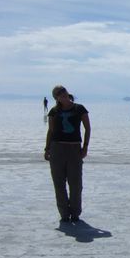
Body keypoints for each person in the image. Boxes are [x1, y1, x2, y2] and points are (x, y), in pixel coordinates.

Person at [44, 85, 90, 223]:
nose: (63, 95)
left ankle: (75, 213)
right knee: (59, 183)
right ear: (56, 98)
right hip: (57, 148)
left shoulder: (79, 109)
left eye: (64, 92)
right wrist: (47, 149)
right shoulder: (54, 111)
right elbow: (51, 131)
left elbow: (87, 128)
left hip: (74, 148)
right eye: (59, 94)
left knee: (76, 183)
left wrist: (85, 147)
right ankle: (64, 213)